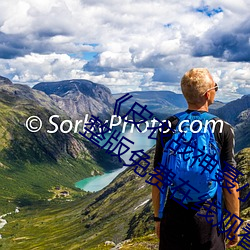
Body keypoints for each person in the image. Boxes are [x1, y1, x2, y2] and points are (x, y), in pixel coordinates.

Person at [152, 68, 240, 250]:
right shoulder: (222, 128)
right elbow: (230, 183)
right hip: (208, 217)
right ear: (208, 94)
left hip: (174, 212)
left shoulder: (168, 126)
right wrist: (234, 223)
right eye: (216, 87)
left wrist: (158, 218)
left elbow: (159, 178)